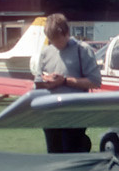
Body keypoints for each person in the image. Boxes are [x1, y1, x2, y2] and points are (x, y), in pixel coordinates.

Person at [33, 13, 101, 153]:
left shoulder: (82, 50)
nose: (55, 44)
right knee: (54, 154)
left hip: (75, 113)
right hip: (51, 114)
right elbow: (38, 82)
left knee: (72, 153)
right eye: (51, 40)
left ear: (66, 33)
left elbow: (95, 82)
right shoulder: (46, 52)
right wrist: (46, 83)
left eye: (58, 40)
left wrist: (64, 81)